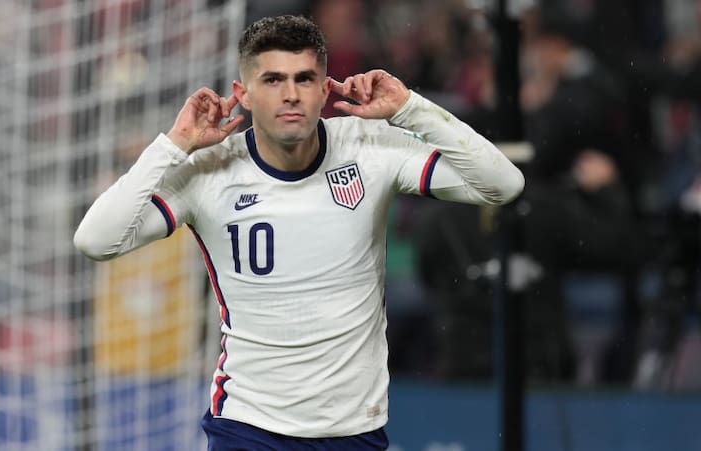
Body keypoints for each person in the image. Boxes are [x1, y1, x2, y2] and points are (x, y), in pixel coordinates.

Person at [74, 15, 524, 450]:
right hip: (249, 426)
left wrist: (410, 108)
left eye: (305, 79)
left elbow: (504, 184)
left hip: (353, 429)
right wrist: (172, 146)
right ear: (243, 93)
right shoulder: (208, 171)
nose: (291, 94)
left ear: (325, 88)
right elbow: (96, 241)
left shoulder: (370, 146)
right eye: (272, 80)